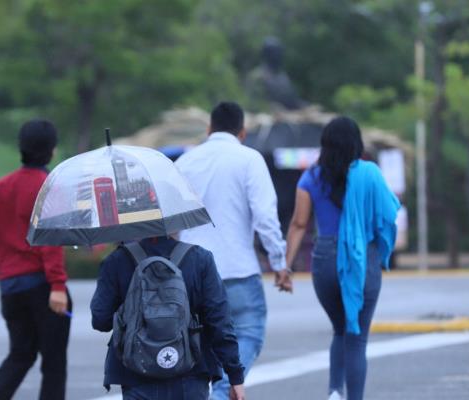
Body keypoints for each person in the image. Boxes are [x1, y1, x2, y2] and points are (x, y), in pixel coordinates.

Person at [175, 101, 291, 399]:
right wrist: (279, 264)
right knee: (249, 333)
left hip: (190, 272)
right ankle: (225, 390)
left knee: (201, 345)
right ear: (243, 131)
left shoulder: (185, 162)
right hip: (237, 270)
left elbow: (170, 221)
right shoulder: (249, 159)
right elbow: (265, 217)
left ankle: (214, 391)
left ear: (209, 128)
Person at [284, 116, 399, 400]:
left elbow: (300, 224)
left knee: (340, 330)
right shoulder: (370, 174)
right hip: (363, 259)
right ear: (356, 143)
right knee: (356, 337)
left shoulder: (311, 176)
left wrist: (284, 266)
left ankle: (335, 391)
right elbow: (389, 213)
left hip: (324, 260)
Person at [0, 119, 71, 400]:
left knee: (21, 352)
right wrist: (57, 285)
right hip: (43, 285)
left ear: (21, 147)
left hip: (10, 286)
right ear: (52, 151)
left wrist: (12, 235)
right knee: (53, 361)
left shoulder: (1, 186)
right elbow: (50, 239)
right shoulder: (48, 186)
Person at [91, 235, 247, 400]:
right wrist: (235, 376)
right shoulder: (200, 258)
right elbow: (219, 322)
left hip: (136, 374)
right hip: (190, 373)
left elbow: (101, 320)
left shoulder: (117, 260)